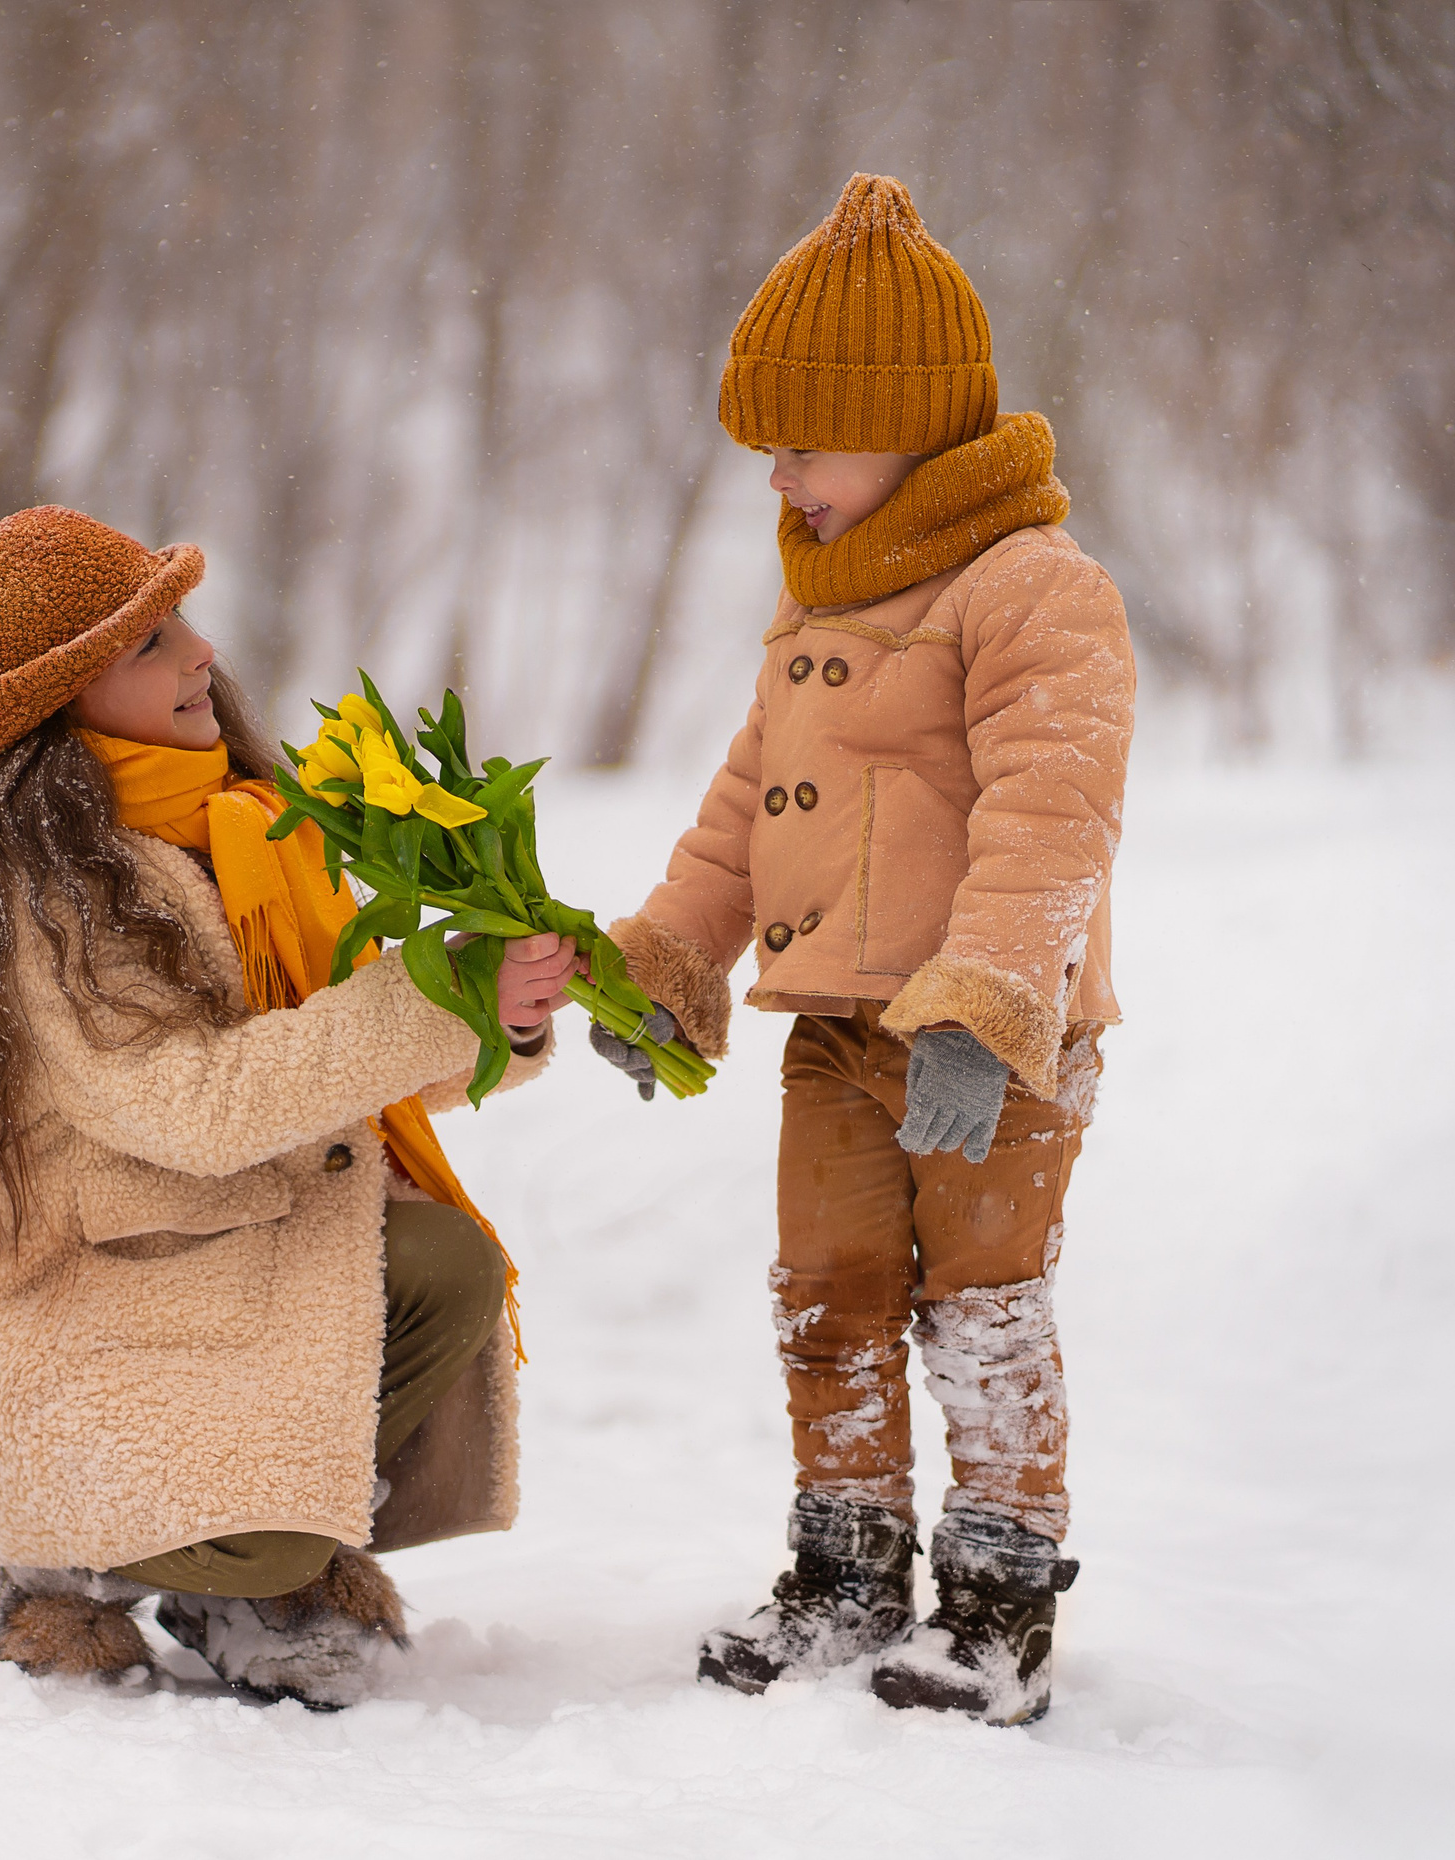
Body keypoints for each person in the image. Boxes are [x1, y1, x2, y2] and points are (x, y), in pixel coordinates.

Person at [592, 175, 1135, 1724]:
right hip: (833, 1024)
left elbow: (1056, 813)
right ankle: (845, 1570)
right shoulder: (817, 607)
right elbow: (743, 816)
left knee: (982, 1300)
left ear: (904, 427)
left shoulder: (1035, 589)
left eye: (804, 441)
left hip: (994, 1039)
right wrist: (668, 967)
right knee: (825, 1292)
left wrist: (989, 1008)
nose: (779, 473)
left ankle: (997, 1596)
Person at [0, 504, 575, 1708]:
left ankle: (248, 1573)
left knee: (442, 1262)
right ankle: (40, 1557)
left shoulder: (242, 825)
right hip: (114, 1294)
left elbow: (314, 1049)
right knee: (261, 1523)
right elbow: (201, 1104)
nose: (200, 653)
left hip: (240, 1250)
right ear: (57, 705)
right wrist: (429, 997)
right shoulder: (52, 887)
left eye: (182, 625)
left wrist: (493, 1013)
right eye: (148, 644)